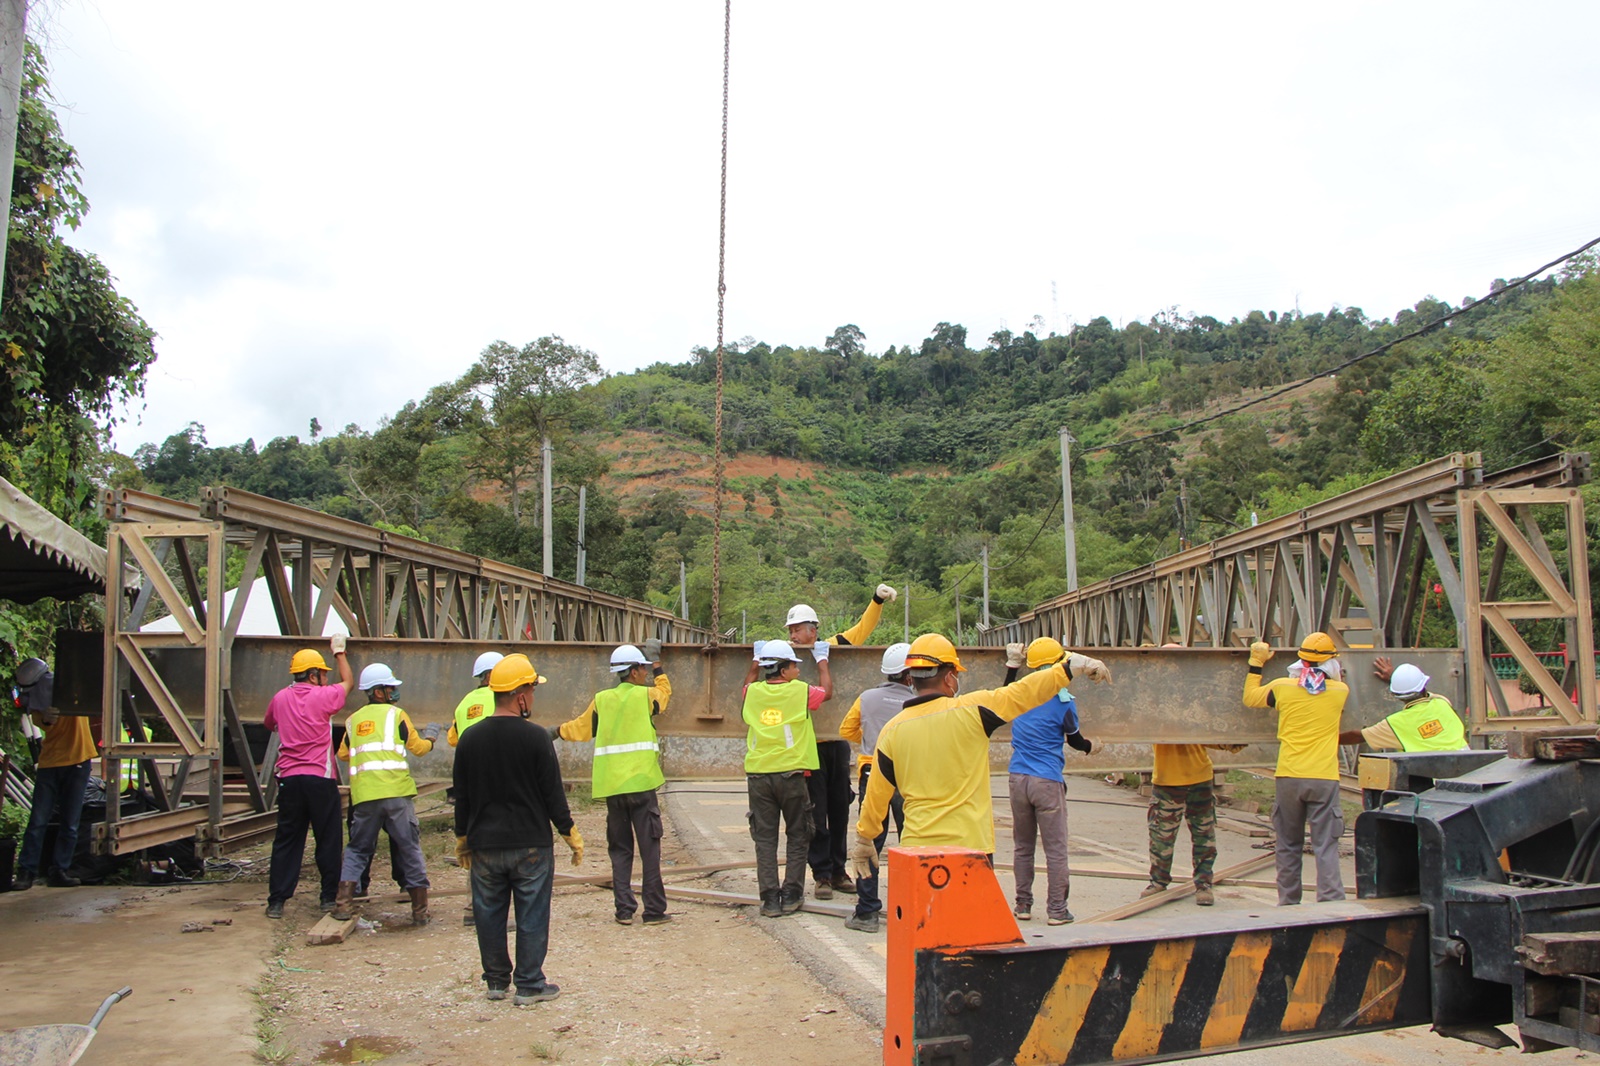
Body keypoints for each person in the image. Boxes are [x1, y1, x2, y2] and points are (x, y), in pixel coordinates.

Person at [850, 634, 1109, 889]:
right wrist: (1069, 668)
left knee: (927, 928)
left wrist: (865, 837)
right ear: (950, 677)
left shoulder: (892, 730)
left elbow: (876, 794)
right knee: (971, 929)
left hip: (917, 850)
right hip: (971, 850)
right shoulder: (973, 711)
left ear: (912, 679)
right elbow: (1023, 693)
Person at [454, 653, 583, 1005]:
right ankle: (529, 984)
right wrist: (568, 832)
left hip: (484, 844)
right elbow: (552, 793)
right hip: (530, 845)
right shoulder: (536, 738)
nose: (534, 696)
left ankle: (496, 982)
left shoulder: (469, 740)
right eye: (532, 689)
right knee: (532, 912)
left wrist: (462, 837)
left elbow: (462, 794)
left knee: (488, 913)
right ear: (520, 695)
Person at [782, 582, 898, 900]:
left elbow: (863, 629)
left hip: (836, 741)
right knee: (815, 813)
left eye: (797, 630)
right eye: (790, 630)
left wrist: (877, 600)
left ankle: (837, 870)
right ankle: (820, 874)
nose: (792, 636)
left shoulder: (833, 645)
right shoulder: (784, 659)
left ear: (812, 630)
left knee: (839, 808)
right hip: (808, 746)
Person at [554, 639, 672, 926]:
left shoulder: (602, 700)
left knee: (620, 850)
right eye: (642, 669)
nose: (644, 673)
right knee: (650, 849)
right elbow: (665, 695)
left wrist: (555, 731)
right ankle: (654, 911)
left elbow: (580, 728)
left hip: (614, 789)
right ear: (632, 672)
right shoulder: (645, 697)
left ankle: (624, 910)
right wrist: (658, 664)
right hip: (642, 785)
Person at [999, 638, 1101, 925]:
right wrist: (1093, 747)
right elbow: (1076, 741)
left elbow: (1002, 695)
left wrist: (1011, 665)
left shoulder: (1020, 696)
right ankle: (1057, 910)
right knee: (1055, 849)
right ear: (1059, 665)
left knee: (1023, 846)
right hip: (1047, 781)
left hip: (1018, 779)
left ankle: (1023, 905)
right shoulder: (1064, 701)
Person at [332, 663, 442, 926]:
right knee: (409, 848)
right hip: (396, 794)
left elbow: (343, 754)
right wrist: (431, 738)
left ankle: (343, 904)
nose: (394, 691)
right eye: (390, 687)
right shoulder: (397, 716)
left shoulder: (352, 720)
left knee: (357, 849)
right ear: (378, 692)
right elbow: (417, 748)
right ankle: (419, 910)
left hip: (365, 797)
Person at [1244, 633, 1348, 905]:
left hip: (1289, 776)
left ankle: (1289, 904)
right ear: (1330, 663)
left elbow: (1250, 698)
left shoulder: (1282, 688)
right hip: (1324, 779)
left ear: (1300, 659)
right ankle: (1331, 903)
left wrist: (1257, 663)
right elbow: (1331, 682)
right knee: (1326, 844)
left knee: (1288, 844)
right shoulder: (1340, 692)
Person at [263, 638, 355, 918]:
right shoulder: (324, 696)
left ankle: (277, 902)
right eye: (323, 673)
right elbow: (348, 682)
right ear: (313, 674)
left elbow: (270, 723)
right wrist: (339, 653)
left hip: (289, 780)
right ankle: (328, 897)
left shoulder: (279, 698)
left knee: (287, 840)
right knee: (328, 838)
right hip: (319, 778)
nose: (326, 678)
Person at [740, 638, 830, 917]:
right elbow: (826, 692)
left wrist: (756, 660)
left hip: (758, 776)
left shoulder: (751, 693)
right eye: (793, 665)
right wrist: (822, 660)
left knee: (764, 838)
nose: (798, 670)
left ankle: (768, 899)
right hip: (791, 774)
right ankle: (791, 895)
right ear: (782, 669)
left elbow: (748, 683)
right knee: (798, 834)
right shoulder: (800, 692)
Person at [837, 642, 912, 933]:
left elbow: (847, 730)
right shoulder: (919, 699)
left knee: (869, 843)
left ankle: (867, 912)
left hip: (873, 771)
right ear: (909, 674)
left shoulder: (867, 697)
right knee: (913, 842)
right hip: (909, 775)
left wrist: (870, 738)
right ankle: (910, 909)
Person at [15, 657, 93, 889]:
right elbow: (41, 719)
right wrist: (47, 719)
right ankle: (26, 872)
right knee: (38, 820)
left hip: (78, 759)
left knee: (70, 822)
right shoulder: (39, 707)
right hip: (51, 763)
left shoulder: (72, 690)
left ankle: (59, 870)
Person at [448, 650, 502, 926]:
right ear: (493, 675)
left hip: (470, 781)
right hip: (498, 779)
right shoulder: (501, 699)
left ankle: (473, 908)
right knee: (502, 845)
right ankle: (497, 912)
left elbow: (453, 738)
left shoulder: (464, 703)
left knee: (475, 843)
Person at [1337, 657, 1467, 751]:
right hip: (1470, 768)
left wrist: (1324, 741)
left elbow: (1358, 736)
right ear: (1424, 684)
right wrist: (1396, 679)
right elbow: (1421, 693)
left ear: (1395, 695)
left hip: (1435, 780)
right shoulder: (1441, 702)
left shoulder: (1396, 724)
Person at [447, 651, 503, 748]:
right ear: (490, 675)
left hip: (468, 761)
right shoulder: (504, 698)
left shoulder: (464, 702)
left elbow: (452, 740)